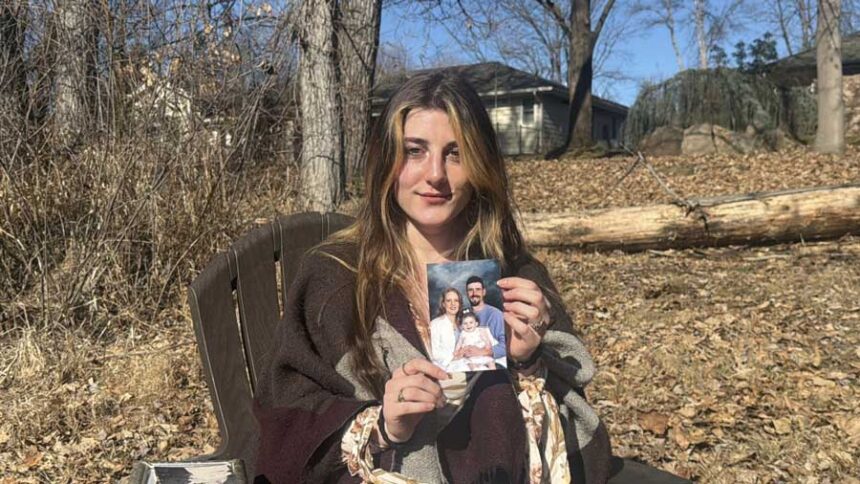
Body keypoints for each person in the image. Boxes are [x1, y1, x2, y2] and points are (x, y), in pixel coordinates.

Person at [254, 71, 611, 483]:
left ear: (481, 165)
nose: (436, 174)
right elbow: (285, 422)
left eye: (456, 153)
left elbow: (584, 443)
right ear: (386, 159)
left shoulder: (515, 275)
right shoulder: (333, 279)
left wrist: (529, 362)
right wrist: (382, 426)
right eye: (414, 151)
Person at [465, 274, 507, 367]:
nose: (474, 293)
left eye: (478, 289)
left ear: (484, 292)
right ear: (467, 293)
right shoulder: (463, 315)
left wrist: (481, 352)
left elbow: (505, 345)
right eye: (470, 290)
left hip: (492, 362)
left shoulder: (495, 314)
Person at [429, 287, 463, 369]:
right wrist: (452, 357)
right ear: (443, 304)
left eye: (456, 300)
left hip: (463, 363)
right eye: (449, 301)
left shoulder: (464, 323)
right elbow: (433, 352)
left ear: (459, 304)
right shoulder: (435, 324)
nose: (453, 304)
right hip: (445, 366)